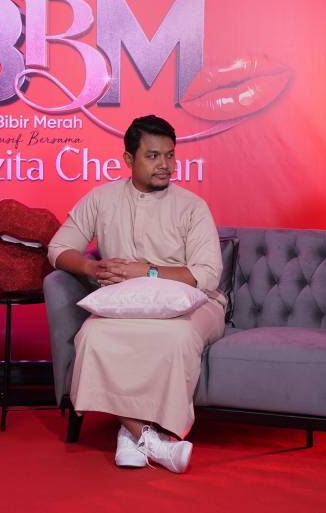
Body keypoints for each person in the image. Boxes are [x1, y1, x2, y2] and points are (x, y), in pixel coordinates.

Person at [48, 115, 225, 473]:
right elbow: (58, 248)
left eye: (170, 156)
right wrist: (90, 268)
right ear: (129, 160)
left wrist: (148, 271)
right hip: (128, 305)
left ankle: (134, 436)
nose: (165, 166)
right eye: (154, 156)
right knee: (93, 334)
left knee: (176, 337)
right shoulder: (102, 198)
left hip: (195, 304)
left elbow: (207, 274)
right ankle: (150, 439)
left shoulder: (192, 206)